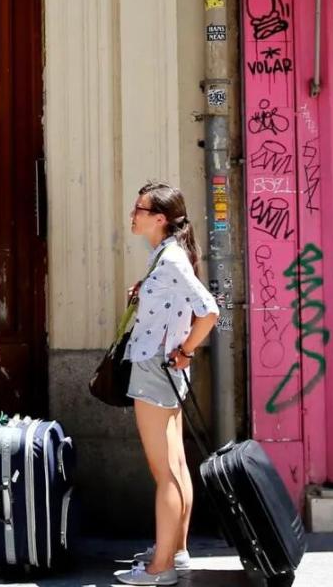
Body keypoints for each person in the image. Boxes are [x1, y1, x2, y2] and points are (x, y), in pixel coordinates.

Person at [118, 181, 220, 586]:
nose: (133, 214)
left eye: (139, 209)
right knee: (176, 465)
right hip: (164, 368)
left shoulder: (172, 258)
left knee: (165, 471)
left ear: (159, 218)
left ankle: (159, 569)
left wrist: (188, 350)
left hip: (155, 368)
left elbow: (209, 311)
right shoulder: (166, 256)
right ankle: (174, 552)